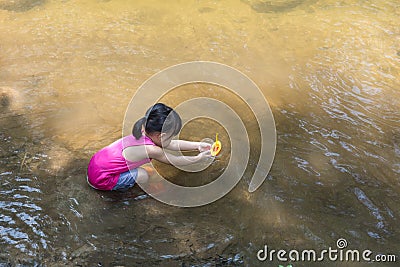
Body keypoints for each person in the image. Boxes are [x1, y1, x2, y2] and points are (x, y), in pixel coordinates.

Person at [87, 103, 212, 191]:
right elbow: (174, 161)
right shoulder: (152, 150)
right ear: (161, 135)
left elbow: (173, 144)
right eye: (171, 136)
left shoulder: (143, 131)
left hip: (95, 166)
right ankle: (133, 191)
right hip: (101, 180)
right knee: (143, 175)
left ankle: (123, 178)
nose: (172, 139)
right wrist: (198, 159)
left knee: (144, 170)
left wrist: (198, 146)